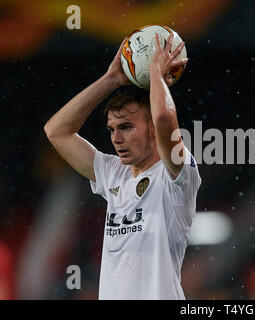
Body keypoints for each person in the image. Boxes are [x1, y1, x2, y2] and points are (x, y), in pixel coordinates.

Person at [44, 33, 201, 299]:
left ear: (152, 129)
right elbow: (56, 131)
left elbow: (163, 117)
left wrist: (156, 75)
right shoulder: (113, 173)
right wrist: (111, 79)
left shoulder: (177, 174)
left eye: (127, 127)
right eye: (112, 129)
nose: (116, 138)